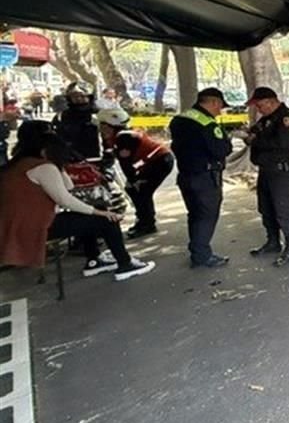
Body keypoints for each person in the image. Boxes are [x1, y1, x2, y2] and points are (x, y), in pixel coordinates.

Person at [0, 133, 154, 280]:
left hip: (15, 226)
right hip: (36, 226)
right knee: (107, 220)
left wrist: (58, 166)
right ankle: (125, 264)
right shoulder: (43, 167)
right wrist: (99, 212)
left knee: (86, 218)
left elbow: (68, 186)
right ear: (48, 151)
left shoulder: (16, 165)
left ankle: (94, 261)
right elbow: (65, 199)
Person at [169, 88, 233, 268]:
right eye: (220, 106)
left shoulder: (179, 119)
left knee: (195, 214)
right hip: (206, 178)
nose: (219, 111)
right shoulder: (208, 124)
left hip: (186, 175)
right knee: (207, 215)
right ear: (213, 102)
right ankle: (202, 255)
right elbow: (222, 150)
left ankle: (196, 249)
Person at [244, 87, 289, 266]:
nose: (259, 110)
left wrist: (256, 139)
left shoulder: (287, 118)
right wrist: (250, 135)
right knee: (266, 208)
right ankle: (273, 241)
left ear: (271, 101)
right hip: (266, 170)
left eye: (260, 106)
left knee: (283, 209)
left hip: (281, 171)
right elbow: (255, 131)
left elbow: (281, 143)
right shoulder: (267, 119)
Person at [97, 108, 173, 238]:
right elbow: (109, 156)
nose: (101, 129)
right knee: (135, 190)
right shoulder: (114, 136)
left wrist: (133, 180)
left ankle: (147, 224)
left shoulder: (124, 137)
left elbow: (125, 163)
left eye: (103, 125)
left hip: (160, 161)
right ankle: (144, 221)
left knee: (141, 191)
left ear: (112, 126)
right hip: (153, 162)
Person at [53, 82, 101, 159]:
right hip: (71, 157)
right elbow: (56, 137)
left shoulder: (100, 115)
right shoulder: (62, 116)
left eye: (82, 96)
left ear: (89, 97)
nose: (78, 99)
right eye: (74, 96)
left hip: (96, 157)